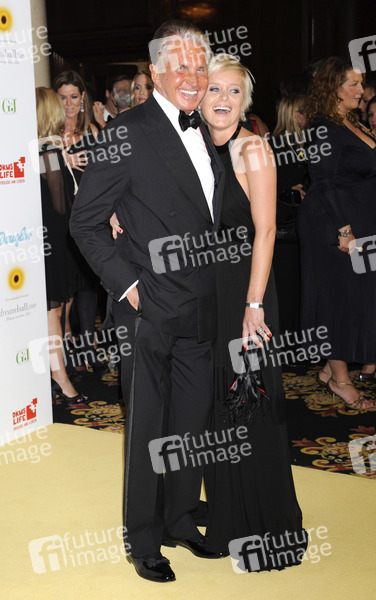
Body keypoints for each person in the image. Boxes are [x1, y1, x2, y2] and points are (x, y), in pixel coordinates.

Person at [70, 20, 225, 583]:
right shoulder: (125, 132)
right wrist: (128, 287)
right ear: (155, 72)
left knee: (191, 422)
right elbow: (85, 223)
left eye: (199, 66)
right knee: (148, 430)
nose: (192, 77)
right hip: (149, 309)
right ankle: (143, 537)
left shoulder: (208, 130)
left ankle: (180, 518)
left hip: (202, 304)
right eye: (179, 66)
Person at [199, 54, 307, 570]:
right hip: (208, 294)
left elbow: (265, 231)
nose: (223, 99)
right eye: (214, 89)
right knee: (218, 406)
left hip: (247, 291)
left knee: (251, 405)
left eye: (234, 91)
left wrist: (254, 304)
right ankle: (227, 517)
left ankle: (265, 526)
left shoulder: (253, 149)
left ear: (245, 102)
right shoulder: (195, 147)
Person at [298, 57, 376, 407]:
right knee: (338, 299)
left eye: (361, 83)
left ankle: (331, 368)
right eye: (353, 84)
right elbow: (323, 180)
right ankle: (340, 379)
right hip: (330, 223)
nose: (361, 90)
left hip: (355, 221)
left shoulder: (350, 122)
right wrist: (344, 230)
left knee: (353, 297)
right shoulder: (323, 126)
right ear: (334, 88)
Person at [53, 70, 108, 376]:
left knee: (88, 285)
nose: (69, 104)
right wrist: (65, 160)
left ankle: (89, 346)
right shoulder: (49, 133)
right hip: (60, 221)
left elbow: (104, 176)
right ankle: (65, 352)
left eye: (74, 96)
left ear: (83, 97)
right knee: (66, 291)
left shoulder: (92, 132)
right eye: (62, 97)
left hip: (89, 218)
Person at [36, 87, 86, 404]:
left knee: (52, 311)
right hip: (52, 243)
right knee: (51, 312)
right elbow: (61, 205)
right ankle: (60, 378)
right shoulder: (49, 153)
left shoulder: (44, 152)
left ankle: (59, 373)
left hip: (48, 242)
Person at [270, 94, 309, 337]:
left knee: (297, 291)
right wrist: (289, 193)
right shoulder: (274, 146)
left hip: (299, 233)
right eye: (308, 112)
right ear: (297, 115)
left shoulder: (303, 144)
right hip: (282, 234)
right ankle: (287, 346)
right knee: (286, 293)